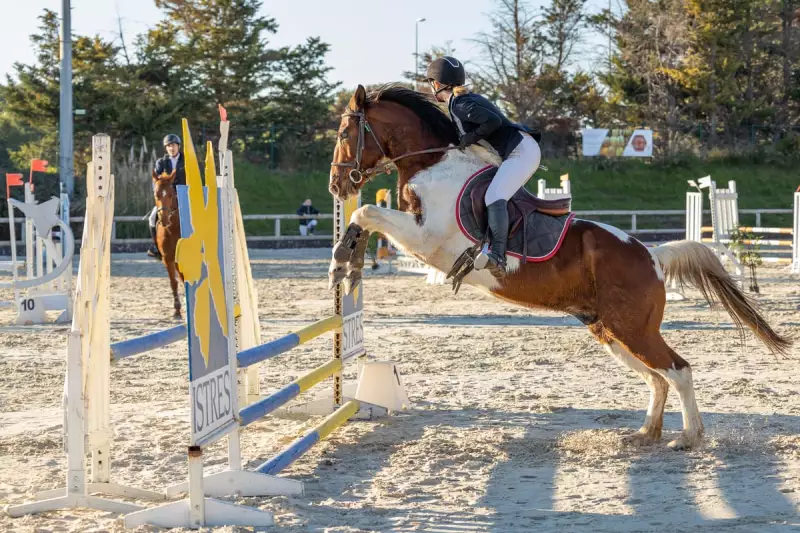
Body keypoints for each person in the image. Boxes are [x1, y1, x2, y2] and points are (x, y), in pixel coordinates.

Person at [425, 56, 542, 279]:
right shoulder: (460, 102)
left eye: (431, 83)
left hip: (521, 151)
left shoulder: (460, 104)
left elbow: (493, 122)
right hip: (518, 150)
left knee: (494, 196)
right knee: (493, 194)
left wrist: (469, 138)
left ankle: (498, 255)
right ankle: (493, 244)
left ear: (437, 84)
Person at [148, 134, 186, 259]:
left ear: (178, 146)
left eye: (174, 145)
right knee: (152, 218)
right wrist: (158, 194)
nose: (172, 148)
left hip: (184, 196)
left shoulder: (186, 161)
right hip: (166, 200)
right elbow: (156, 182)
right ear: (166, 148)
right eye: (169, 146)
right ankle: (156, 247)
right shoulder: (161, 162)